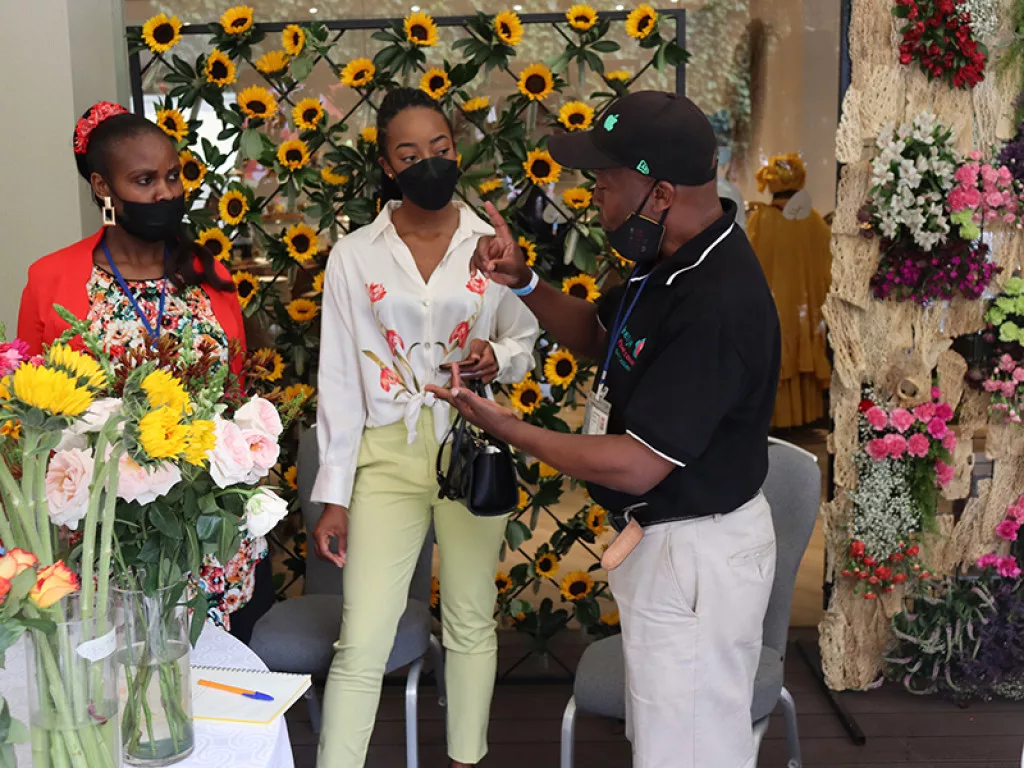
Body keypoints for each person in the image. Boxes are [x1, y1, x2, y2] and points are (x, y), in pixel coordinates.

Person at [428, 91, 782, 768]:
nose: (593, 195)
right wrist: (524, 282)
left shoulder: (718, 302)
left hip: (696, 557)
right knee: (667, 741)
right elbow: (599, 336)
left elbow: (638, 464)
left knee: (690, 753)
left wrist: (513, 430)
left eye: (605, 182)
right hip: (666, 547)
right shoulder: (669, 257)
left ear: (661, 193)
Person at [310, 87, 540, 768]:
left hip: (474, 448)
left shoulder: (489, 246)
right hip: (388, 454)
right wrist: (335, 493)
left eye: (440, 148)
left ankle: (468, 758)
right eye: (410, 153)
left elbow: (524, 340)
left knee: (471, 621)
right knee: (363, 636)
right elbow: (340, 384)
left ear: (456, 150)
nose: (429, 162)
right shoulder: (354, 255)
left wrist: (496, 356)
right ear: (387, 165)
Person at [17, 101, 273, 643]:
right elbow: (31, 418)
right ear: (102, 186)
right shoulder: (52, 279)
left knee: (207, 677)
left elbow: (236, 395)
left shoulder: (210, 274)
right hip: (102, 528)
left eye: (173, 176)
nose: (165, 192)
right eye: (144, 179)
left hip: (203, 526)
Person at [747, 153, 832, 428]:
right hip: (806, 315)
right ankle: (806, 415)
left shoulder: (760, 221)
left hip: (771, 313)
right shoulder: (815, 222)